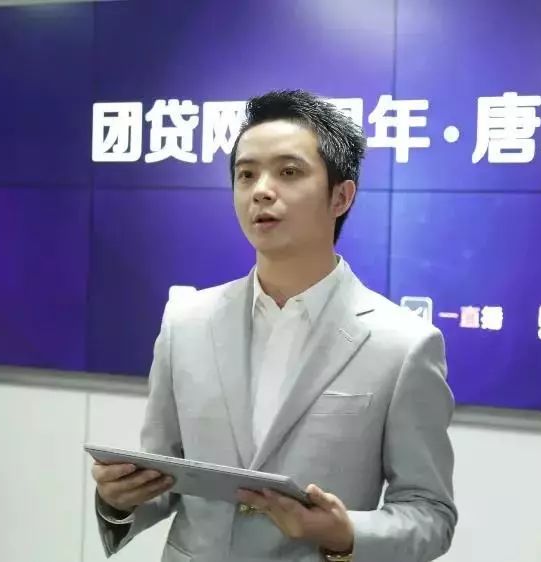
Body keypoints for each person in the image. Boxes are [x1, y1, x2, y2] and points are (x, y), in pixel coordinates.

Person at [91, 89, 457, 562]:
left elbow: (429, 513)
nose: (261, 190)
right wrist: (119, 501)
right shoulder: (186, 323)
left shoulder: (403, 344)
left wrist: (345, 532)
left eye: (288, 172)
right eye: (246, 174)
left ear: (341, 196)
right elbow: (167, 477)